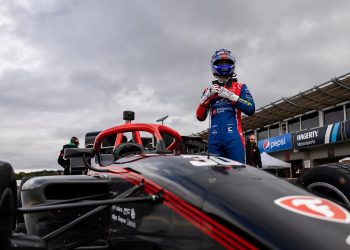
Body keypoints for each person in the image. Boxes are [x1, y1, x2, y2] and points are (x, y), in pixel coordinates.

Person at [196, 49, 255, 163]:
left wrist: (231, 96)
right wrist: (205, 99)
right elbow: (200, 117)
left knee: (238, 174)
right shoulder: (208, 90)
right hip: (214, 140)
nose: (223, 65)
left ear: (232, 64)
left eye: (226, 62)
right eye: (220, 63)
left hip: (233, 138)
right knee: (216, 178)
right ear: (214, 65)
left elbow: (251, 108)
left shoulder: (240, 87)